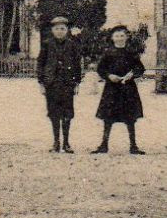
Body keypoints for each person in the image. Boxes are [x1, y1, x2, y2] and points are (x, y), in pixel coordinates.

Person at [93, 25, 147, 154]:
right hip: (111, 89)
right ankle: (104, 145)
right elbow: (101, 69)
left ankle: (133, 146)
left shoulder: (131, 53)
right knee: (108, 117)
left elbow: (140, 68)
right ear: (112, 38)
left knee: (130, 118)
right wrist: (109, 76)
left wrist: (132, 74)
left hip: (128, 89)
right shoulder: (108, 53)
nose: (119, 38)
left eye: (122, 36)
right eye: (116, 36)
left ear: (126, 37)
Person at [37, 15, 84, 152]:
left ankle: (66, 143)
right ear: (52, 30)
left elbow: (77, 65)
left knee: (67, 113)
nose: (59, 31)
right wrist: (41, 82)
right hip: (51, 83)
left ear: (67, 30)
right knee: (54, 113)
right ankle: (56, 142)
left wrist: (77, 83)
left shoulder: (72, 45)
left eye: (62, 28)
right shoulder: (46, 44)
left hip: (67, 84)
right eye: (57, 28)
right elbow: (41, 63)